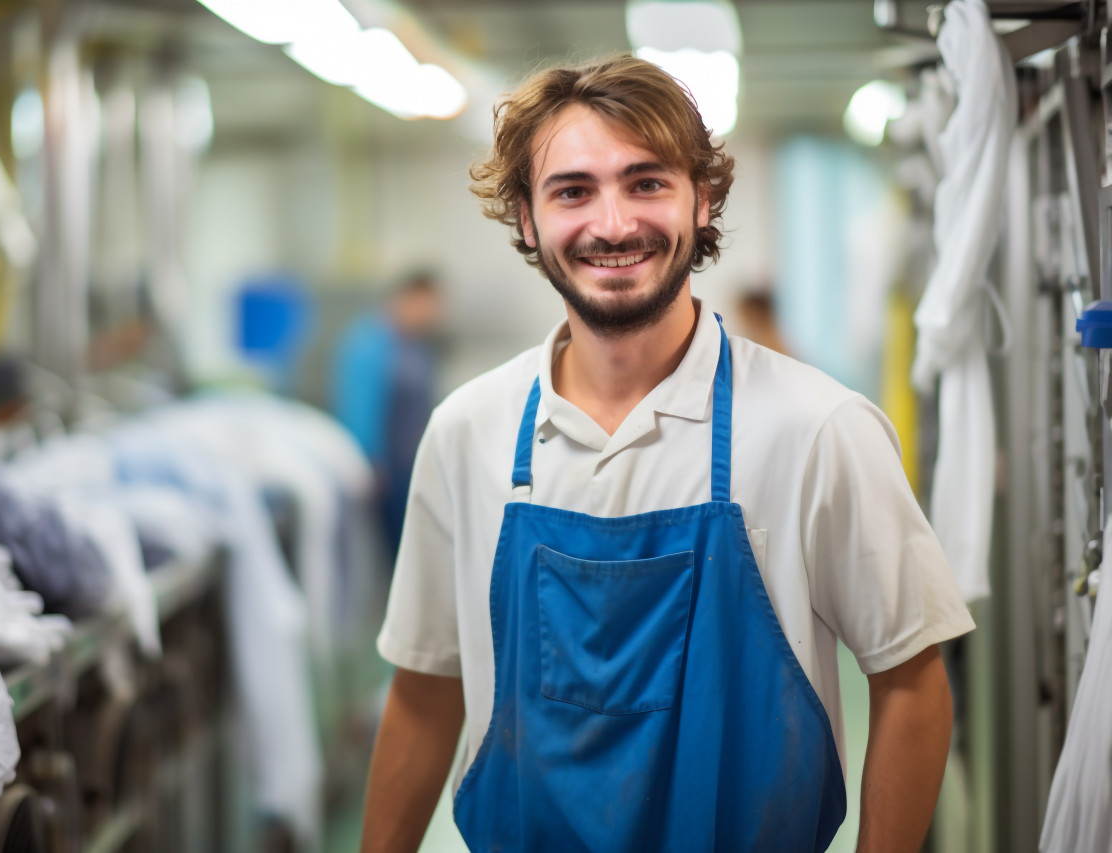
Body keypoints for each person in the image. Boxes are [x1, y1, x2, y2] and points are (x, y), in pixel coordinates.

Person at [360, 54, 973, 853]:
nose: (613, 225)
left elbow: (912, 684)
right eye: (573, 190)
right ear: (526, 217)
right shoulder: (466, 431)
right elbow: (425, 687)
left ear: (703, 197)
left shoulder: (817, 428)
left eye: (646, 182)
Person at [330, 273, 442, 558]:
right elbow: (358, 408)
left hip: (412, 463)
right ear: (403, 298)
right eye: (424, 305)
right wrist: (369, 461)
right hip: (383, 470)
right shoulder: (367, 344)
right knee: (389, 550)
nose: (431, 314)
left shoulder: (417, 344)